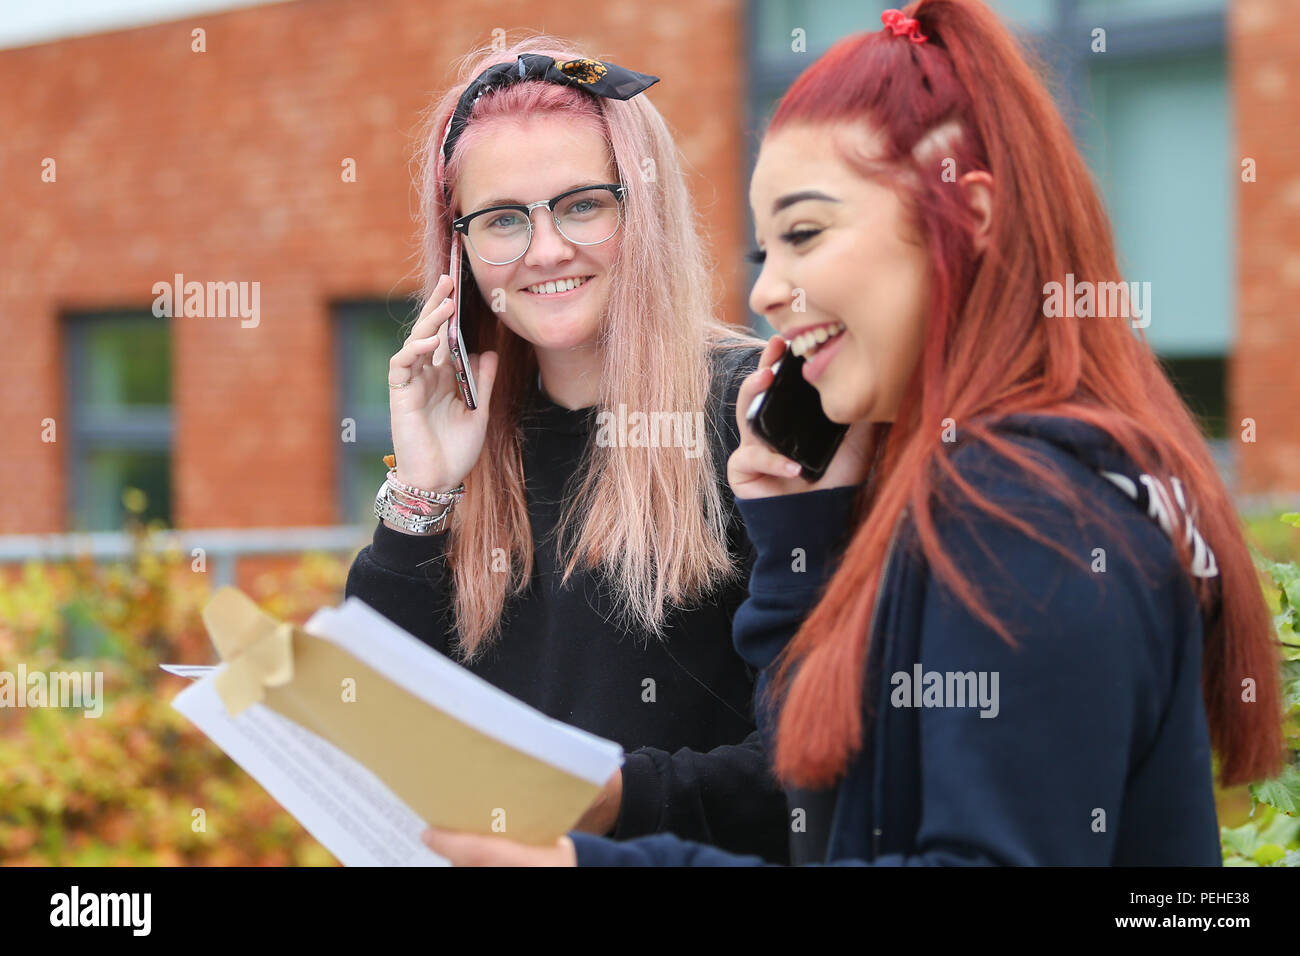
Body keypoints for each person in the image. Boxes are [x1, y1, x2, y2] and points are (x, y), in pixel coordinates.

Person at [421, 1, 1284, 866]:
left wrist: (594, 859)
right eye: (767, 252)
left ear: (970, 217)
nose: (765, 294)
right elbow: (835, 823)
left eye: (805, 234)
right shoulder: (962, 483)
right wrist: (803, 542)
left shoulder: (1028, 510)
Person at [343, 36, 790, 861]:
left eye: (583, 204)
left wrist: (598, 805)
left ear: (641, 210)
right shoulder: (468, 437)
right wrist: (422, 490)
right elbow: (370, 719)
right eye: (503, 220)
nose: (545, 251)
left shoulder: (754, 418)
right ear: (459, 251)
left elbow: (806, 768)